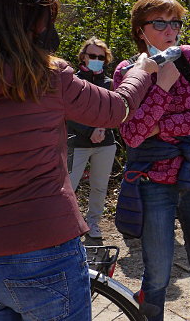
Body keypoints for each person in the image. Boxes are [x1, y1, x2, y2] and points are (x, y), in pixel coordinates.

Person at [0, 0, 157, 319]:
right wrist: (141, 70)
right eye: (47, 23)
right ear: (29, 25)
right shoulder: (46, 77)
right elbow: (114, 109)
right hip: (48, 249)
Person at [112, 0, 190, 321]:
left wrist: (158, 127)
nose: (170, 30)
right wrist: (161, 86)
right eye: (160, 23)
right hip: (152, 183)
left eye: (175, 22)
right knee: (158, 274)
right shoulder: (127, 72)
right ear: (140, 29)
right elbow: (132, 135)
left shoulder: (188, 58)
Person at [68, 36, 118, 239]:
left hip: (105, 143)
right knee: (69, 187)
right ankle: (69, 225)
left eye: (101, 56)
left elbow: (116, 112)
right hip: (77, 143)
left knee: (99, 186)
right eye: (92, 55)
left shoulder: (110, 83)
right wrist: (90, 131)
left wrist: (101, 129)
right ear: (83, 57)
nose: (96, 59)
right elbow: (67, 114)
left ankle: (93, 223)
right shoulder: (72, 81)